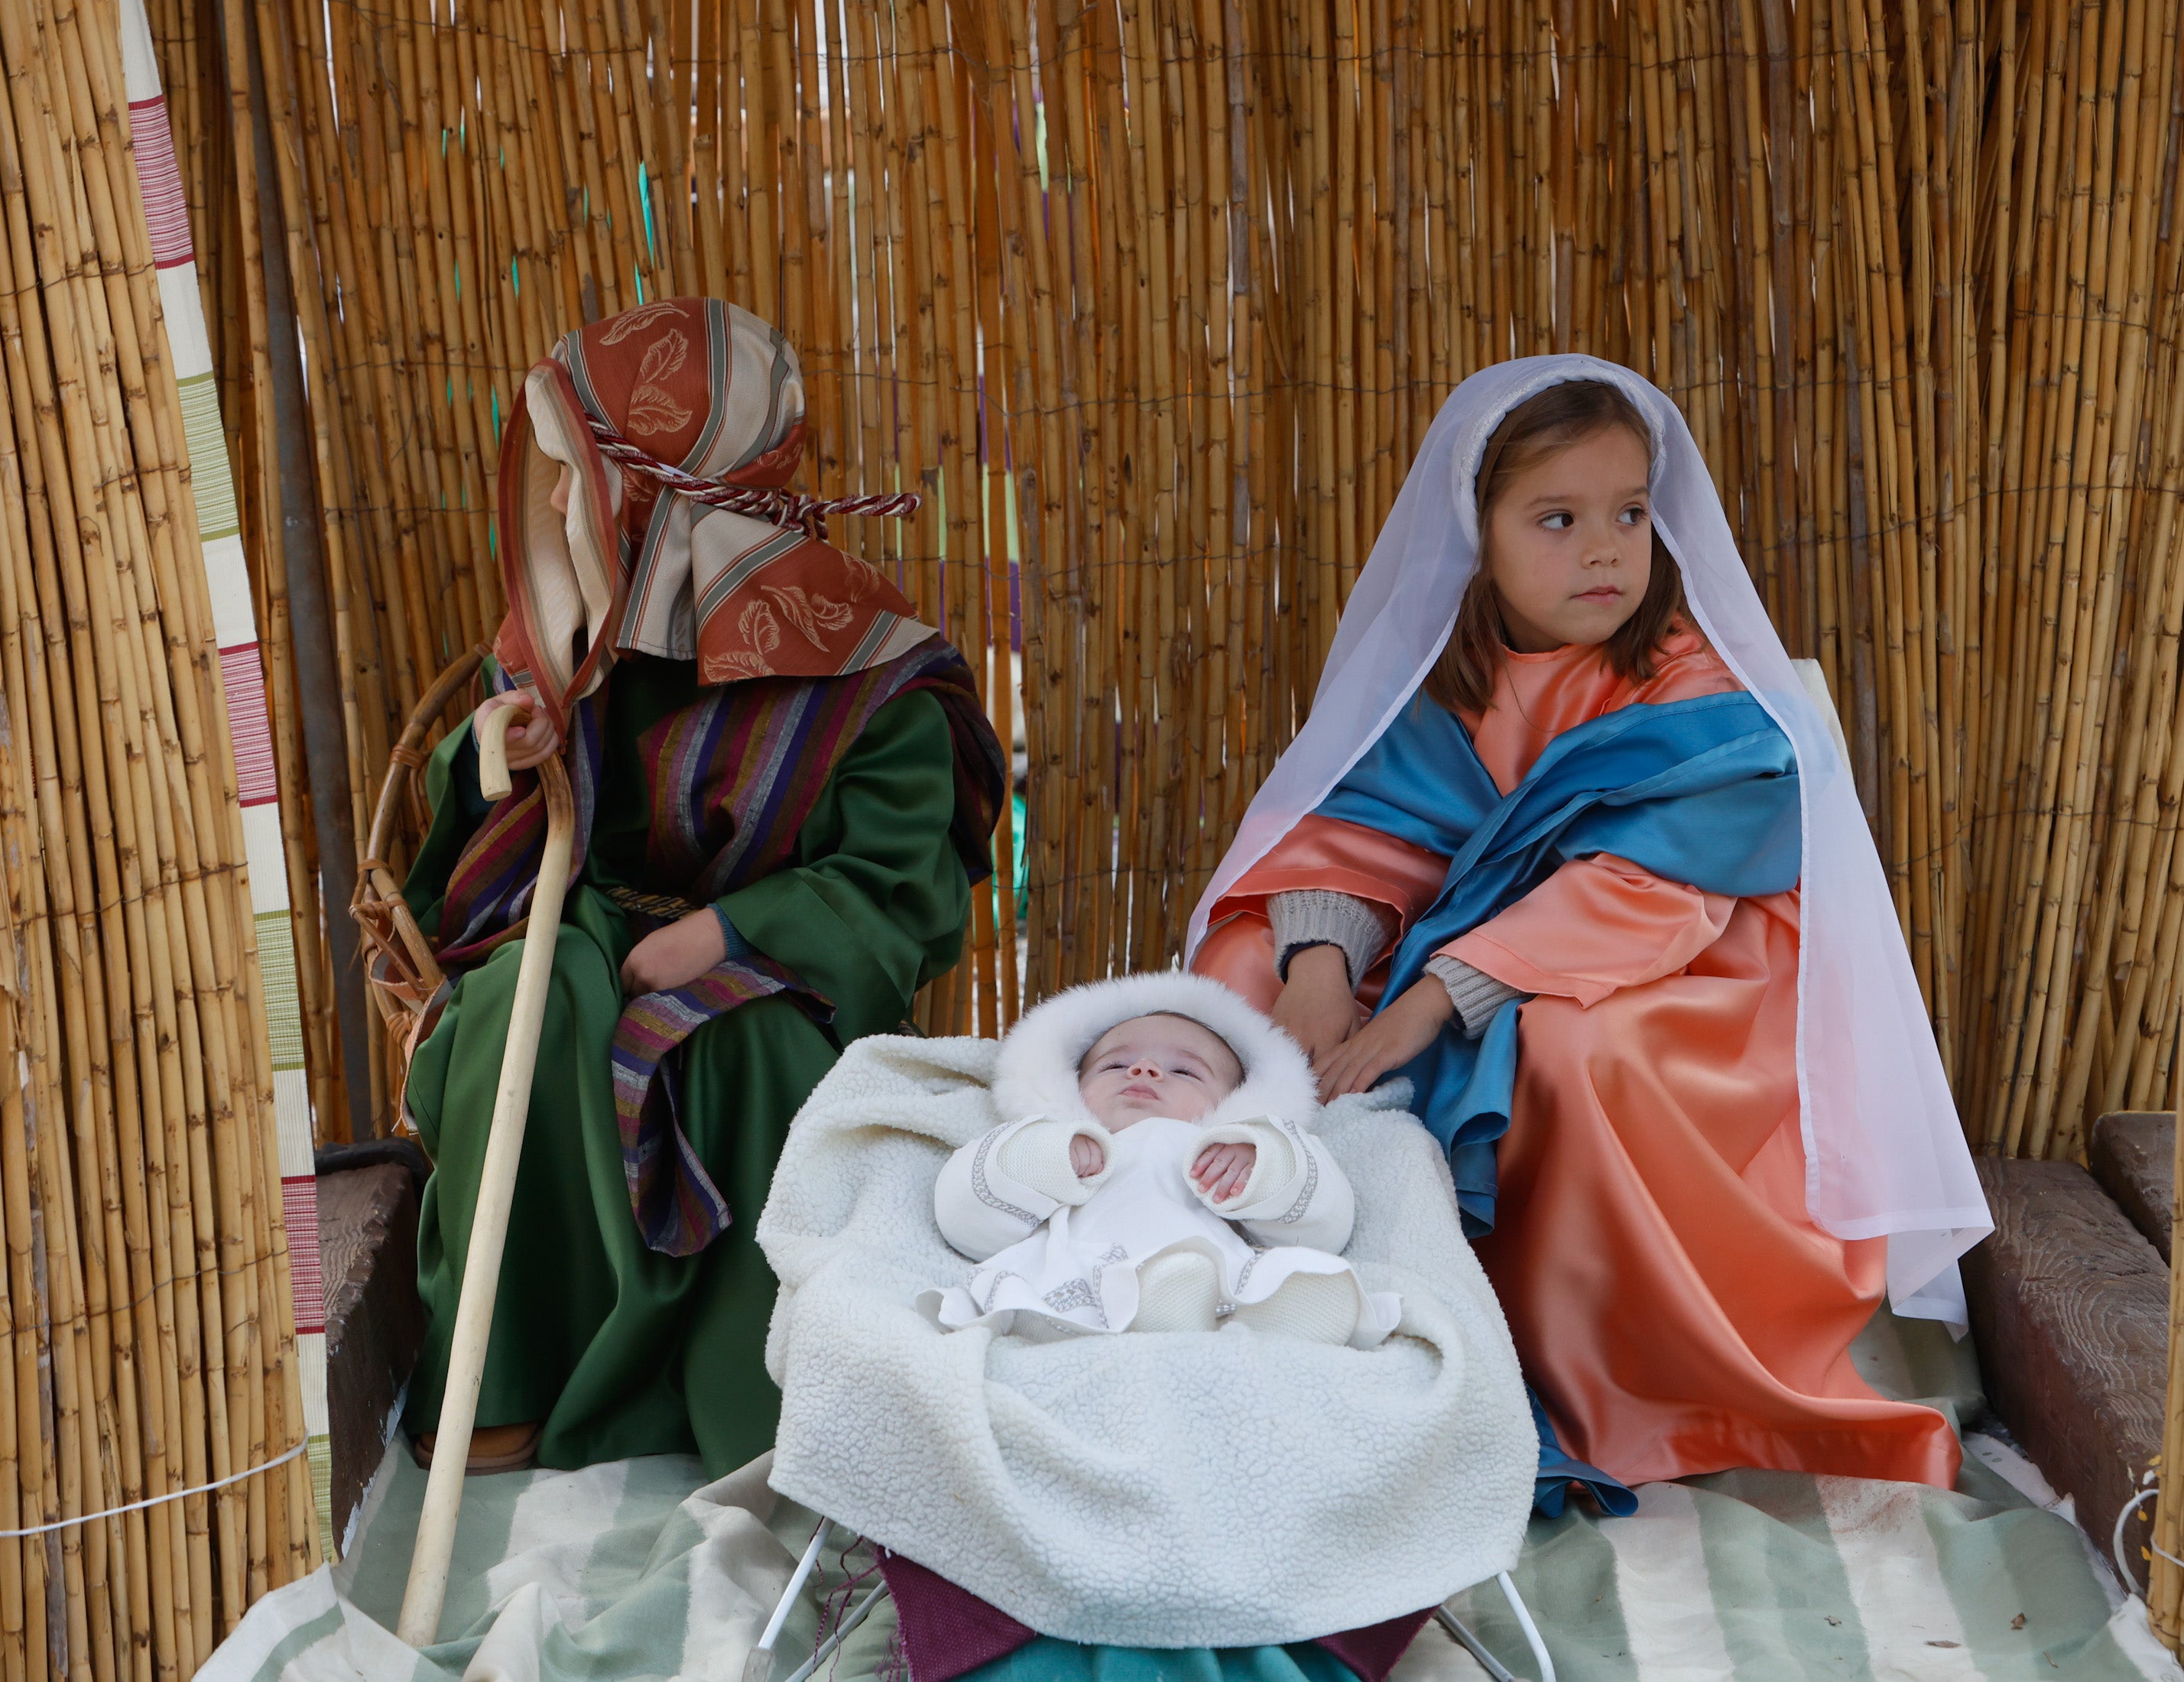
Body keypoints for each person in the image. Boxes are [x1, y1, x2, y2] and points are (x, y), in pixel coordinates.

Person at [1189, 361, 1990, 1499]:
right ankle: (1283, 1280)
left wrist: (1433, 999)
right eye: (1557, 520)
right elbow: (1364, 828)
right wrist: (1321, 968)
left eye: (1628, 515)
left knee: (1570, 1052)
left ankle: (1607, 1376)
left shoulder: (1693, 682)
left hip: (1686, 971)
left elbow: (1651, 889)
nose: (1606, 550)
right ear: (1479, 536)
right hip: (1490, 944)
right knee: (1244, 968)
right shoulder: (1441, 676)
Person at [401, 297, 1006, 1476]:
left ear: (662, 494)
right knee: (533, 999)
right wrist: (498, 751)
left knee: (736, 1056)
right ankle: (511, 1375)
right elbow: (477, 851)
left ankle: (741, 1405)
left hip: (780, 981)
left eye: (582, 477)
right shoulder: (576, 638)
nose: (562, 509)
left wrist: (723, 934)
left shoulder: (872, 672)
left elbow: (902, 897)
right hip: (581, 932)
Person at [927, 972, 1400, 1349]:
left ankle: (1289, 1317)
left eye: (1184, 1070)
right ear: (1071, 1085)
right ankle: (1116, 1314)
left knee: (1282, 1273)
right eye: (1114, 1064)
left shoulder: (1234, 1146)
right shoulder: (1051, 1138)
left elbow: (1327, 1223)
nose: (1144, 1070)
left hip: (1210, 1275)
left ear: (1236, 1099)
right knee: (1036, 1292)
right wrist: (1044, 1160)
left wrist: (1263, 1168)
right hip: (1074, 1271)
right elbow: (963, 1214)